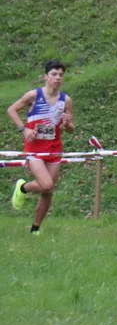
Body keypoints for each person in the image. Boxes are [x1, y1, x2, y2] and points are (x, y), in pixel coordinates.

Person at [7, 60, 75, 233]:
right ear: (45, 76)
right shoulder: (34, 96)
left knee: (48, 192)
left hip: (54, 149)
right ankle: (23, 188)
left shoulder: (66, 100)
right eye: (54, 74)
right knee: (46, 185)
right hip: (34, 149)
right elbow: (11, 110)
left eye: (61, 75)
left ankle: (35, 229)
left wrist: (68, 124)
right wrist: (24, 129)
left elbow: (70, 129)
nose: (58, 78)